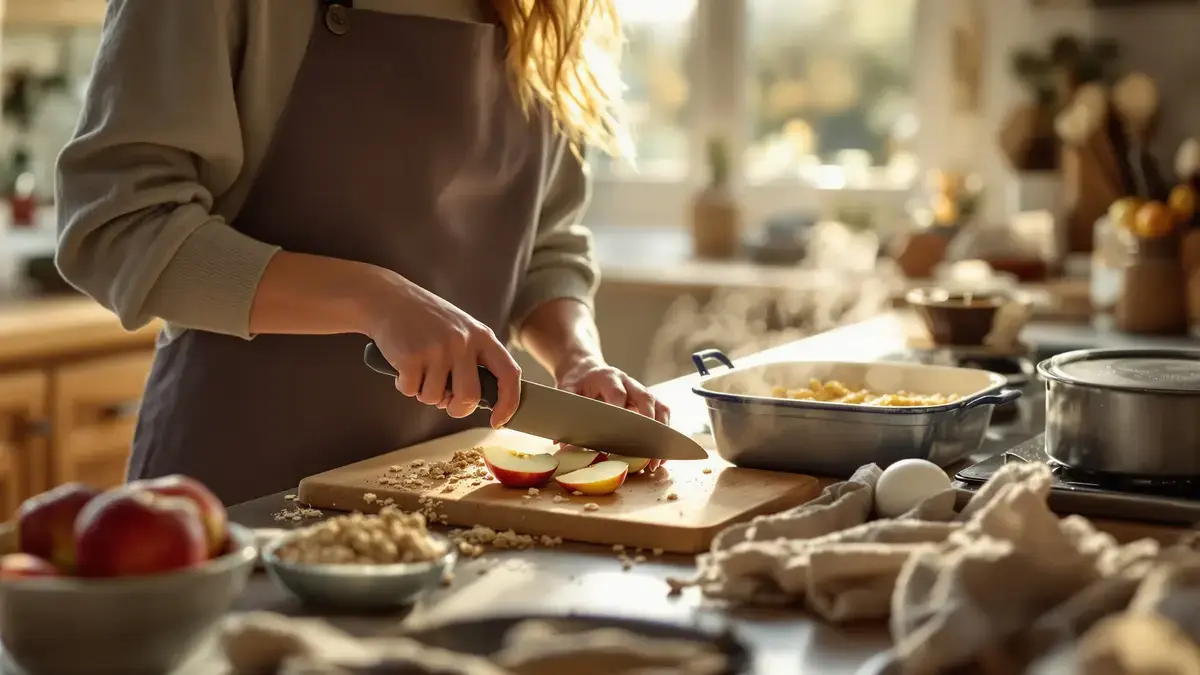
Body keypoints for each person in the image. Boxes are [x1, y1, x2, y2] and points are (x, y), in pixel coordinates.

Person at [55, 0, 670, 506]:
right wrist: (373, 298)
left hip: (446, 493)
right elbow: (120, 225)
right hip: (236, 498)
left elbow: (545, 241)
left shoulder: (548, 12)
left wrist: (577, 358)